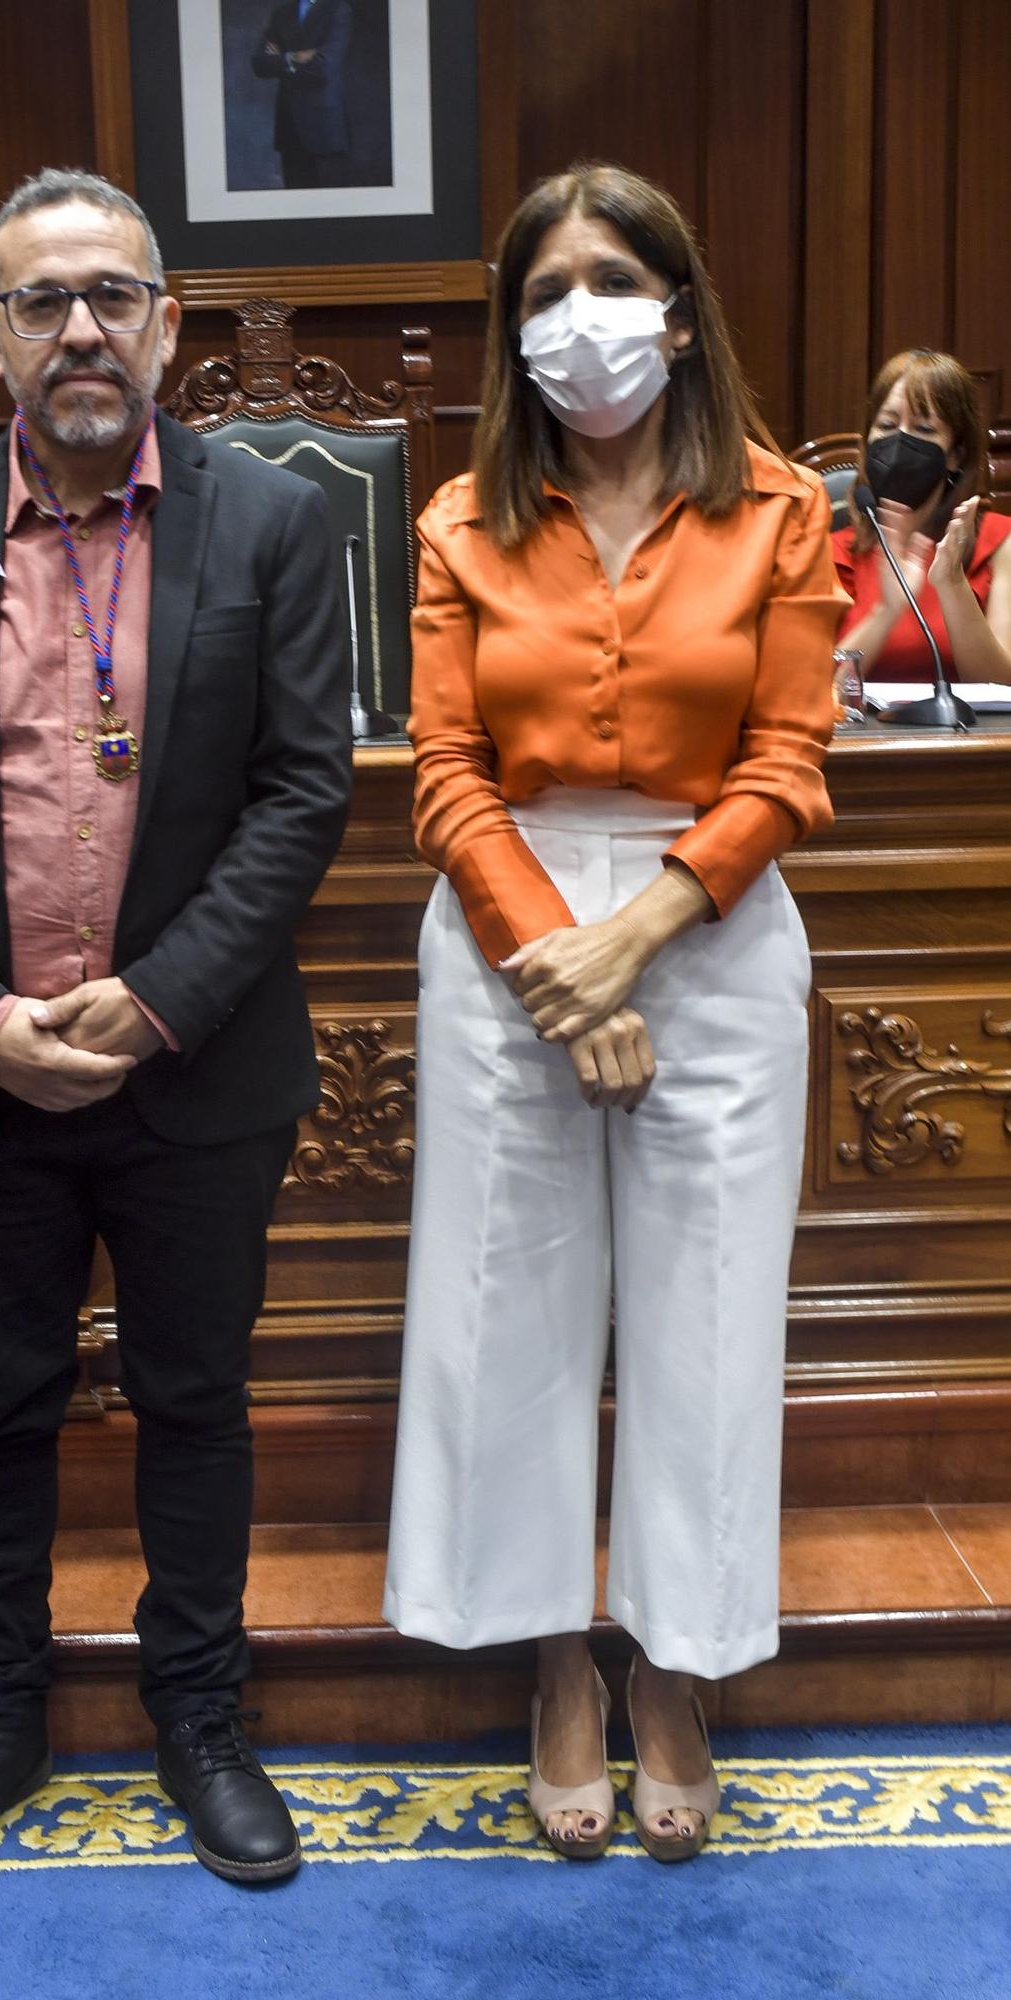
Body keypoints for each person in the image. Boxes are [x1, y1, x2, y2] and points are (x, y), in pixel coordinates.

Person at [0, 167, 352, 1888]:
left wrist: (156, 1001)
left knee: (196, 1404)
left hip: (191, 1070)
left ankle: (201, 1715)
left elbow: (299, 793)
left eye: (111, 296)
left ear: (166, 326)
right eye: (42, 300)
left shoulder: (272, 524)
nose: (79, 329)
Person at [382, 163, 847, 1862]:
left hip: (709, 927)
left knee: (704, 1318)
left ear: (674, 304)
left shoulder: (779, 512)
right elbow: (439, 772)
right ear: (513, 327)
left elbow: (789, 761)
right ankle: (552, 1664)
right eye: (546, 286)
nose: (581, 314)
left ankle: (671, 1663)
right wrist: (550, 961)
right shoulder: (454, 519)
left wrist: (635, 932)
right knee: (504, 1317)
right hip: (502, 923)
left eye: (611, 278)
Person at [831, 348, 1011, 684]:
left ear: (955, 455)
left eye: (924, 429)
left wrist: (952, 583)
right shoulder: (833, 551)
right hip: (862, 736)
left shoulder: (999, 542)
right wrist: (885, 613)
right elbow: (815, 689)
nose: (900, 440)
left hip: (971, 737)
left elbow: (1003, 687)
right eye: (886, 424)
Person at [251, 0, 353, 189]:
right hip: (289, 127)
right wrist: (293, 57)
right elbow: (259, 64)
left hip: (324, 128)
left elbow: (324, 67)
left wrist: (281, 58)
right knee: (294, 203)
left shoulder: (338, 9)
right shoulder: (281, 12)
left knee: (331, 206)